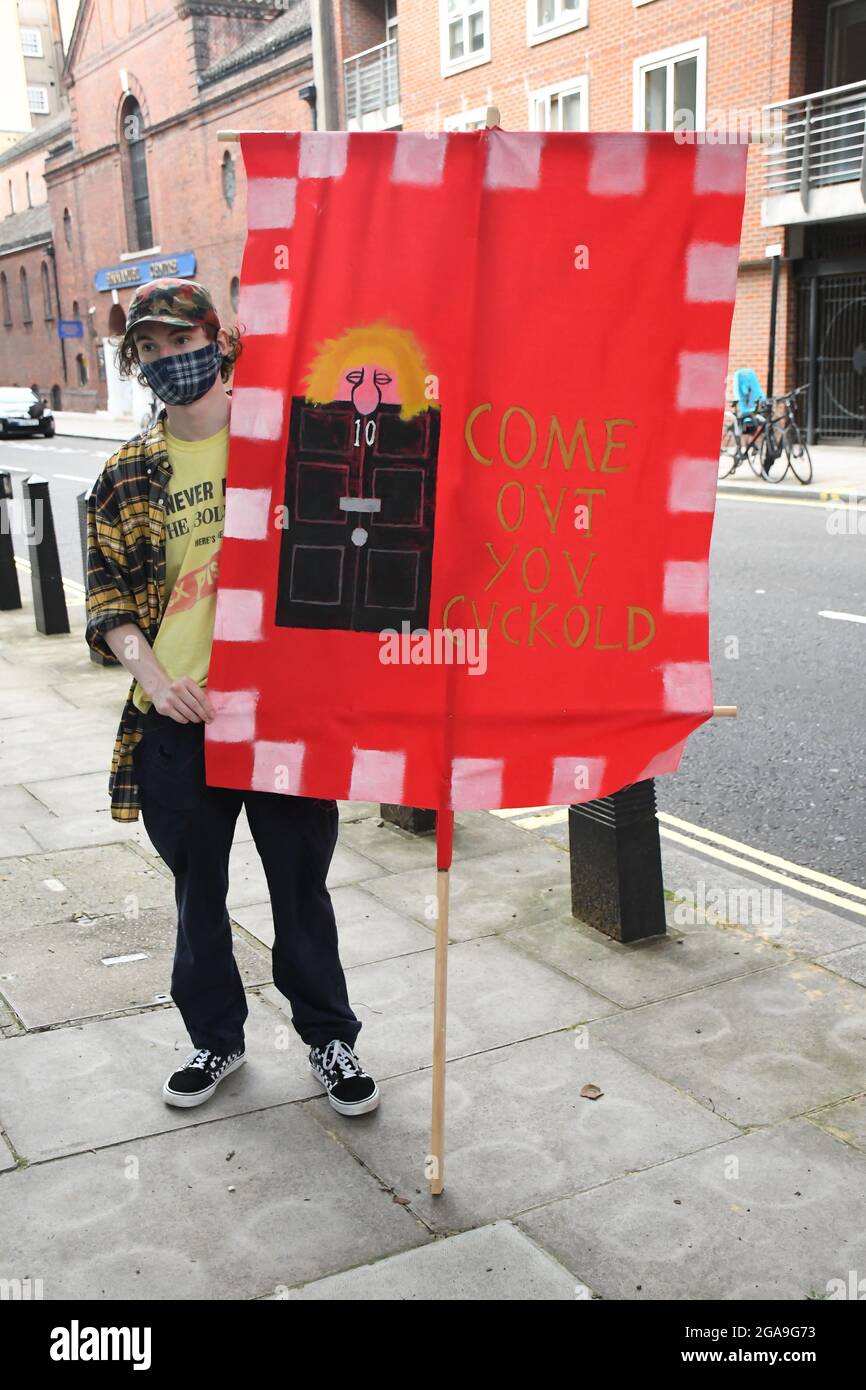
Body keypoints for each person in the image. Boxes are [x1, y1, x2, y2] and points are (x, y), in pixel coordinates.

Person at [85, 277, 378, 1116]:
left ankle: (330, 1039)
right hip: (176, 724)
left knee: (299, 888)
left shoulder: (286, 443)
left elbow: (352, 549)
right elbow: (106, 602)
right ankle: (216, 1040)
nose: (169, 359)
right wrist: (154, 680)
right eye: (150, 349)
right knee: (196, 895)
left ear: (219, 338)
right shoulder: (126, 475)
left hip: (278, 715)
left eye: (182, 341)